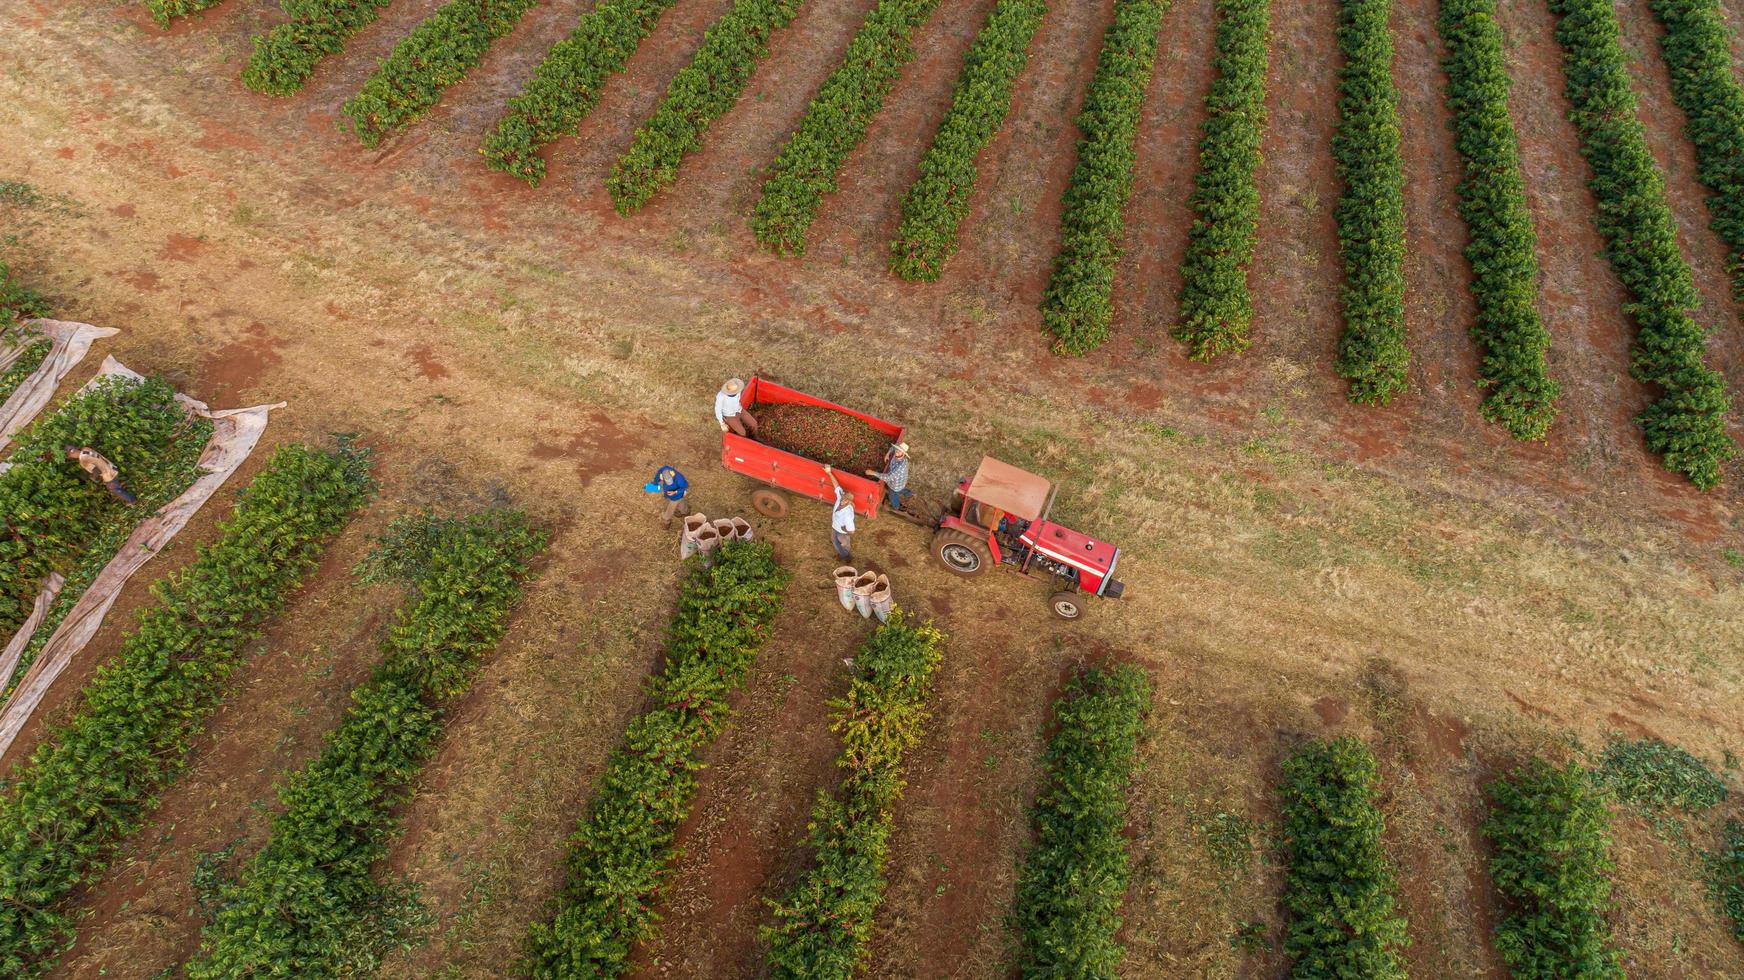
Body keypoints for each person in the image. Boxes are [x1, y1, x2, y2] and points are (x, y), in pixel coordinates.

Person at [65, 445, 137, 503]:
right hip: (112, 468)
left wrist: (93, 477)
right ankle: (127, 492)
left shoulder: (83, 461)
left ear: (71, 455)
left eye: (70, 456)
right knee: (116, 485)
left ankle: (132, 500)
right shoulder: (86, 449)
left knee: (114, 489)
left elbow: (96, 471)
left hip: (109, 475)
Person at [864, 441, 913, 513]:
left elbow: (888, 477)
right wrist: (888, 454)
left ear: (903, 454)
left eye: (900, 451)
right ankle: (910, 494)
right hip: (900, 482)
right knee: (901, 489)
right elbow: (894, 447)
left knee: (893, 494)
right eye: (897, 449)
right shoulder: (897, 454)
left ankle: (896, 506)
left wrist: (873, 473)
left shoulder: (900, 466)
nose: (897, 451)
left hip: (895, 485)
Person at [824, 465, 855, 562]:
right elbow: (836, 485)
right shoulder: (840, 498)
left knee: (844, 544)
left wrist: (844, 529)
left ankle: (846, 556)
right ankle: (842, 553)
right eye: (843, 497)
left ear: (848, 502)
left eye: (845, 500)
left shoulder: (847, 515)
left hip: (841, 532)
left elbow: (852, 531)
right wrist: (829, 472)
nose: (842, 500)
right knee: (835, 541)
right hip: (835, 527)